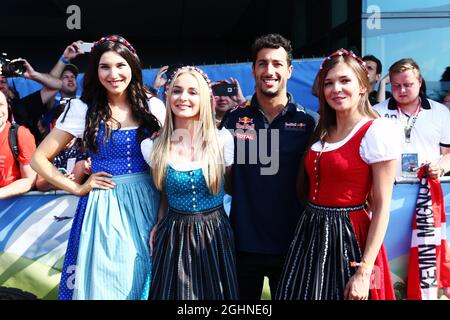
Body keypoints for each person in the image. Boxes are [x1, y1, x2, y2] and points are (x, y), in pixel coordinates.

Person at [30, 35, 162, 300]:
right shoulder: (83, 109)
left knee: (146, 283)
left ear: (133, 67)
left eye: (120, 65)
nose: (113, 74)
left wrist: (163, 216)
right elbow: (38, 159)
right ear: (96, 71)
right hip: (105, 208)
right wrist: (77, 188)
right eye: (105, 66)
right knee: (108, 286)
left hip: (149, 204)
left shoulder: (153, 106)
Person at [276, 49, 399, 300]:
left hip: (350, 237)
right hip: (310, 232)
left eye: (345, 81)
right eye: (329, 83)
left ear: (363, 87)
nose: (336, 89)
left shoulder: (376, 131)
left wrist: (365, 271)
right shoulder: (323, 129)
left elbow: (383, 206)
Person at [220, 34, 319, 300]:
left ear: (289, 70)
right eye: (262, 63)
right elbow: (226, 179)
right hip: (242, 244)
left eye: (277, 63)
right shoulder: (233, 119)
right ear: (253, 69)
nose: (269, 70)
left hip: (293, 244)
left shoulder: (310, 122)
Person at [141, 66, 239, 300]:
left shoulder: (223, 140)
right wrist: (160, 221)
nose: (183, 97)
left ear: (205, 98)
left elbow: (233, 188)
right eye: (177, 91)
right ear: (168, 96)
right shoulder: (153, 147)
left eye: (192, 92)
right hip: (174, 237)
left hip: (215, 234)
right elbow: (164, 192)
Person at [373, 58, 450, 178]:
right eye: (396, 86)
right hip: (390, 188)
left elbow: (448, 153)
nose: (402, 90)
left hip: (429, 187)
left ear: (419, 82)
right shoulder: (377, 112)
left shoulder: (440, 112)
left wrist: (440, 168)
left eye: (407, 85)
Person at [1, 58, 62, 144]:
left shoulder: (22, 107)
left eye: (3, 81)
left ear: (9, 88)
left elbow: (57, 86)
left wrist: (34, 75)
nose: (0, 85)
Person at [0, 91, 37, 199]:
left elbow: (29, 180)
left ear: (8, 107)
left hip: (13, 208)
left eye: (1, 105)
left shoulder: (21, 134)